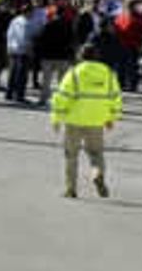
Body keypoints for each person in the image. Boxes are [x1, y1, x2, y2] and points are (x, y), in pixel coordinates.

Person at [48, 37, 121, 196]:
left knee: (71, 155)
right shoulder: (107, 73)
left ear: (80, 56)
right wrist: (111, 118)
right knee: (96, 153)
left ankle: (71, 189)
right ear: (97, 56)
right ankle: (97, 173)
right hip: (96, 120)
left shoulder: (74, 73)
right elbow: (115, 97)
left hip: (74, 120)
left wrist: (56, 119)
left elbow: (62, 97)